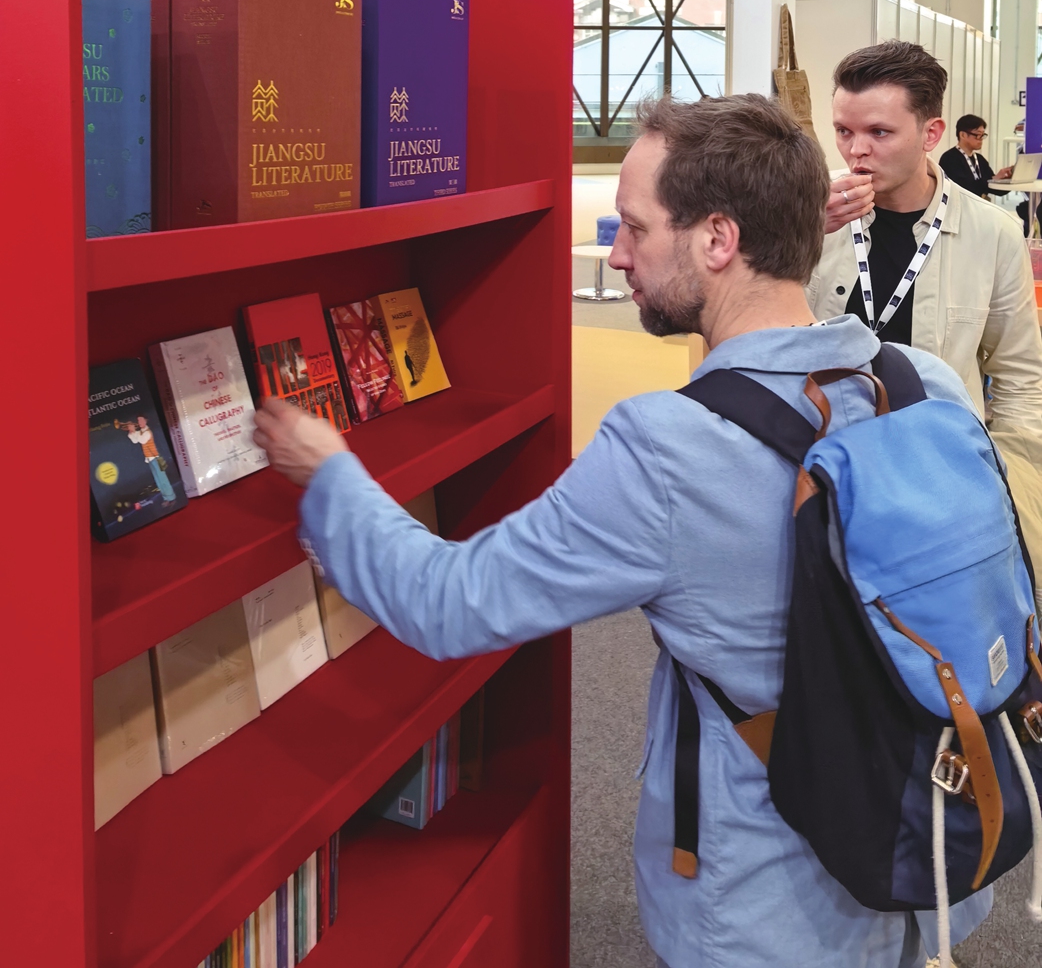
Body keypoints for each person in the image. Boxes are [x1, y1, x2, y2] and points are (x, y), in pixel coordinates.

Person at [254, 93, 989, 968]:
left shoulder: (666, 447)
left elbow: (449, 601)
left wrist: (329, 470)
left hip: (775, 908)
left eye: (634, 228)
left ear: (718, 239)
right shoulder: (924, 382)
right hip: (942, 851)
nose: (616, 254)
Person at [808, 40, 1042, 605]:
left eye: (879, 133)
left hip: (938, 481)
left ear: (931, 134)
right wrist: (800, 236)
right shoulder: (806, 221)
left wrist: (1009, 486)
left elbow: (1019, 380)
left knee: (929, 651)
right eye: (843, 131)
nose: (855, 152)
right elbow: (745, 333)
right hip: (819, 472)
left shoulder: (991, 234)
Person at [937, 113, 1011, 199]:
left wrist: (1008, 179)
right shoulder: (950, 158)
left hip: (978, 207)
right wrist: (994, 179)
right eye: (977, 135)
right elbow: (964, 188)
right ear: (963, 135)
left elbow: (993, 188)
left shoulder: (980, 159)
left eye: (982, 135)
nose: (981, 139)